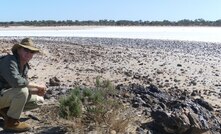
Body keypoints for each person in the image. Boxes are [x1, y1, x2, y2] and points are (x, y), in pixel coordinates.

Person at [0, 38, 46, 132]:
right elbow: (17, 82)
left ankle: (5, 111)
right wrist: (37, 86)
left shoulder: (24, 66)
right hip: (2, 94)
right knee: (22, 91)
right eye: (26, 50)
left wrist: (37, 92)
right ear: (18, 50)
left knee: (39, 100)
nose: (29, 53)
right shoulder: (9, 61)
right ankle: (11, 123)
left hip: (4, 95)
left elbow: (19, 87)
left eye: (32, 52)